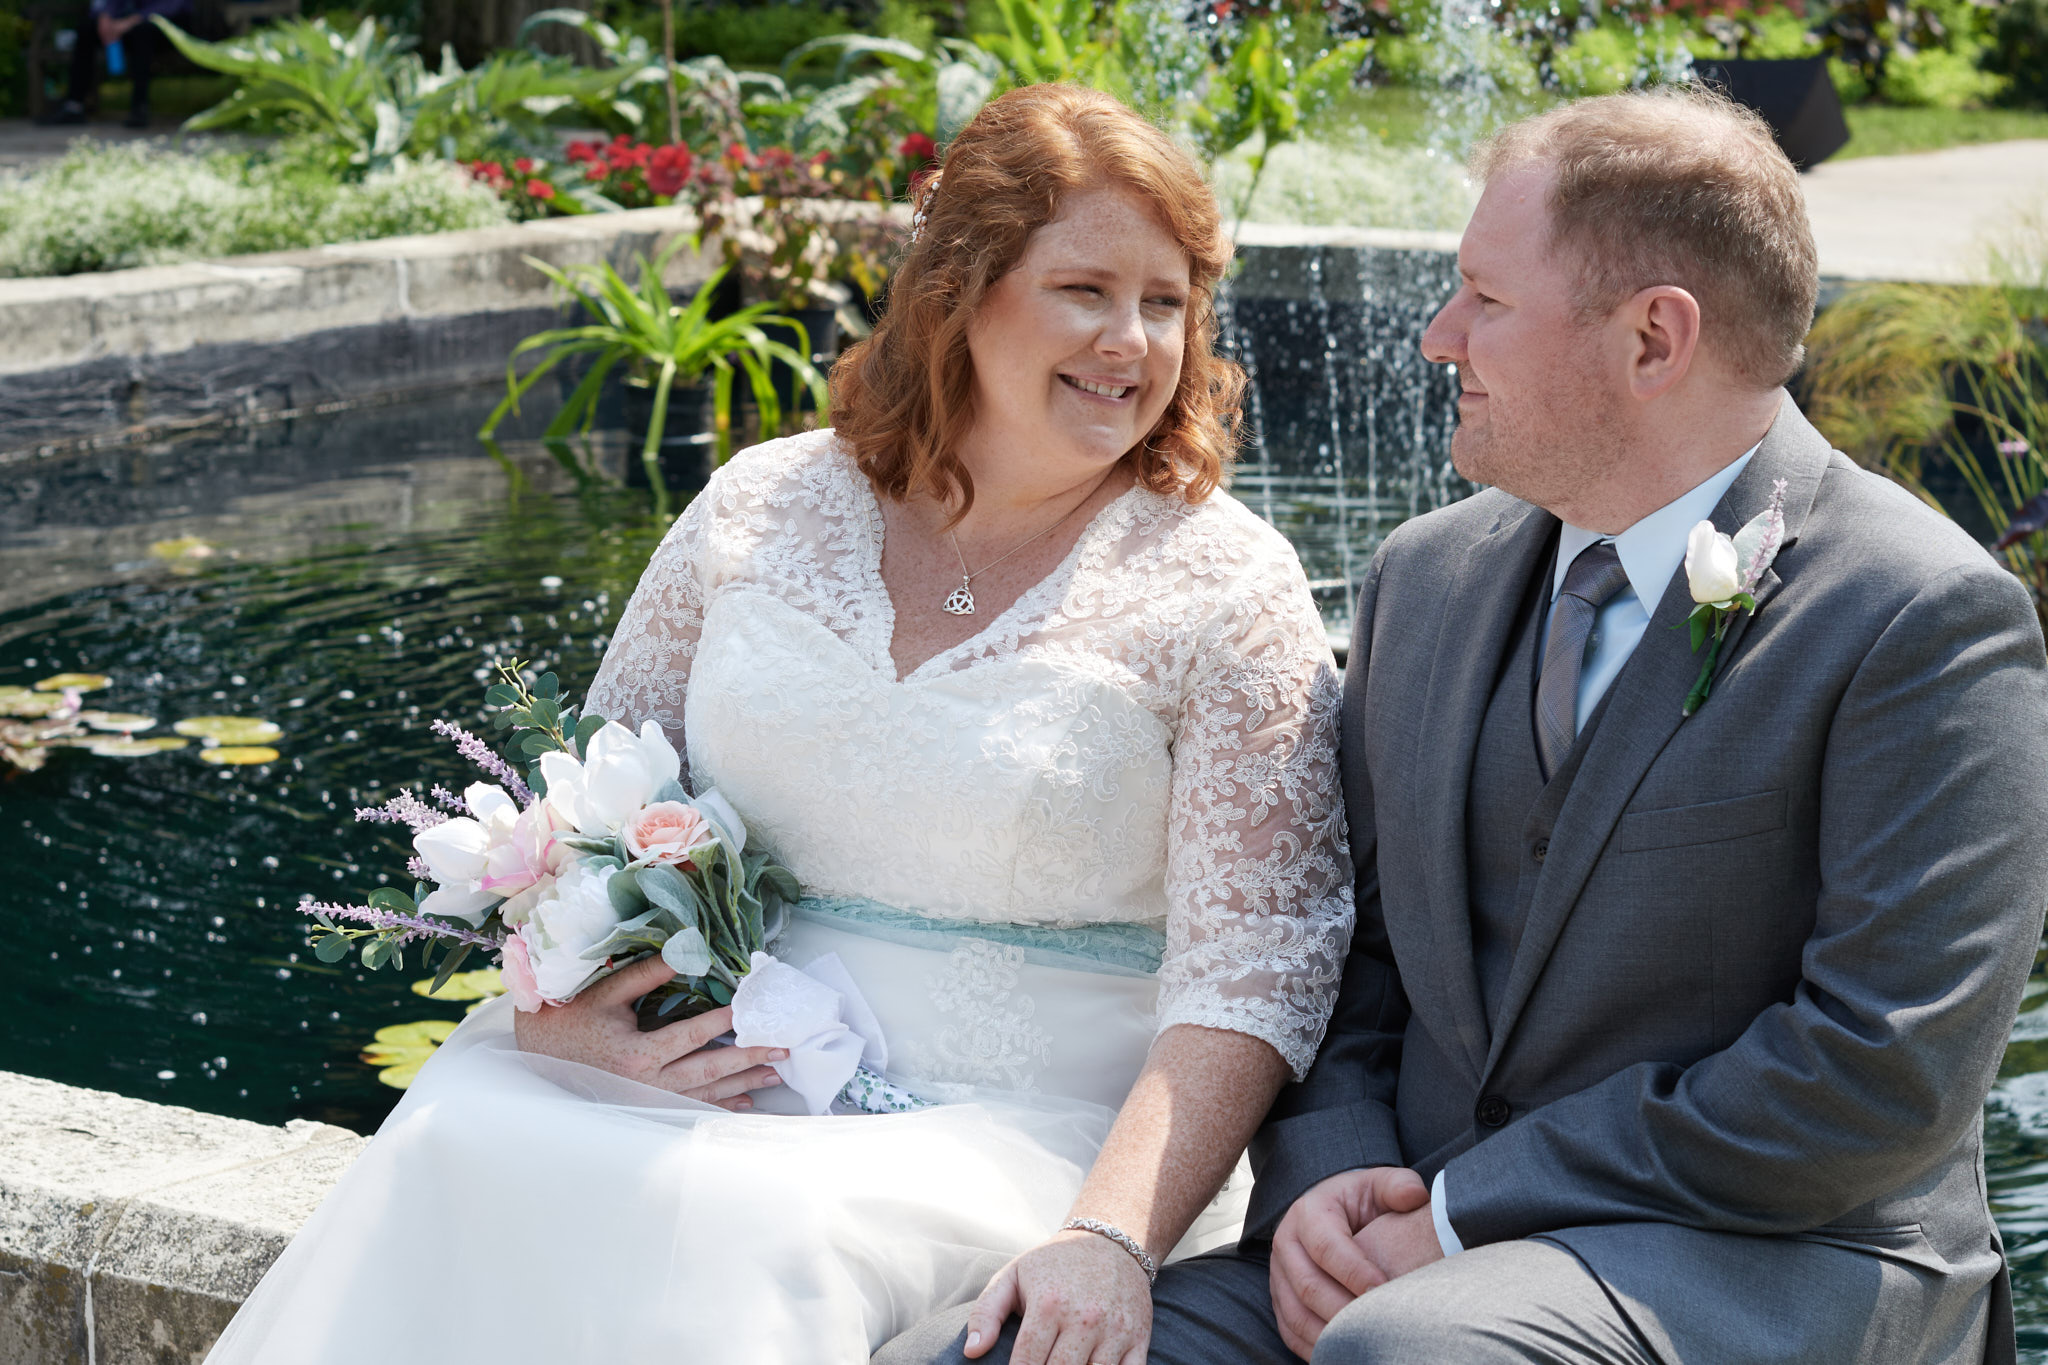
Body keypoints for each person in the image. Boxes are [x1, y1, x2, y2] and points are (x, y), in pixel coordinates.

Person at [881, 86, 2048, 1365]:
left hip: (1768, 1262)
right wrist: (1333, 1176)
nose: (1439, 337)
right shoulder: (1424, 580)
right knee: (967, 1355)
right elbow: (1351, 953)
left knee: (1415, 1351)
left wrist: (1459, 1213)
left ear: (1653, 339)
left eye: (1484, 300)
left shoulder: (1920, 618)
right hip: (1395, 1246)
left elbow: (1879, 1070)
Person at [200, 84, 1352, 1364]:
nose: (1130, 341)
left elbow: (1256, 969)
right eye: (1084, 290)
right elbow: (586, 800)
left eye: (1166, 303)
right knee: (466, 1128)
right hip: (714, 1061)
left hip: (1020, 1125)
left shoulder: (1225, 587)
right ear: (958, 295)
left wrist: (1110, 1234)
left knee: (743, 1227)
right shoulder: (762, 506)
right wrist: (561, 1014)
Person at [39, 0, 194, 129]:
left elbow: (171, 6)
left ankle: (139, 108)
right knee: (86, 29)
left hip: (168, 27)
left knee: (143, 33)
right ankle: (74, 107)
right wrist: (105, 17)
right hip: (128, 25)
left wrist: (131, 21)